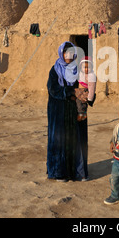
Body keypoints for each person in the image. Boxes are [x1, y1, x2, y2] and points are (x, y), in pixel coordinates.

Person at [46, 42, 90, 182]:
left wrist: (86, 95)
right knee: (60, 141)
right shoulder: (55, 70)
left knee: (76, 141)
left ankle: (79, 172)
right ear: (61, 53)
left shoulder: (79, 70)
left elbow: (85, 86)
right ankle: (60, 172)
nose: (68, 56)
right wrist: (71, 92)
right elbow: (53, 90)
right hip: (58, 110)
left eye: (71, 53)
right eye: (66, 53)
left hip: (75, 110)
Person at [75, 57, 97, 121]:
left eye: (88, 67)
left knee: (81, 105)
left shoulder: (91, 76)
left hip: (84, 93)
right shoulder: (81, 73)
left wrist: (89, 98)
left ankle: (82, 116)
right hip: (79, 92)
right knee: (78, 105)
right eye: (84, 67)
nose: (86, 69)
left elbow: (92, 88)